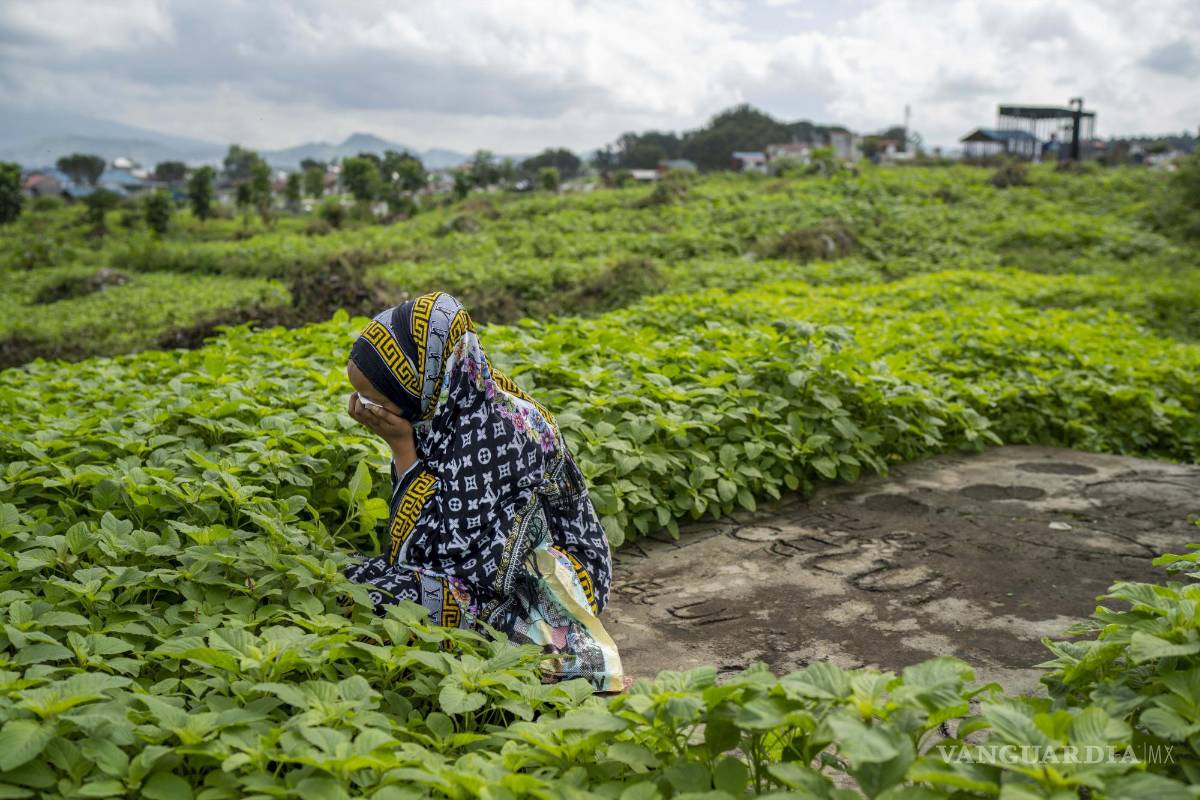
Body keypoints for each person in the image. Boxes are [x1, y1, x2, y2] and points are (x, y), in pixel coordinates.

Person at [342, 290, 626, 693]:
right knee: (352, 582)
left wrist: (402, 447)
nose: (365, 410)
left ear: (424, 383)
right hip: (488, 561)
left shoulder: (502, 431)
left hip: (552, 574)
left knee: (389, 597)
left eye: (377, 400)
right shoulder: (453, 403)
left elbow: (448, 560)